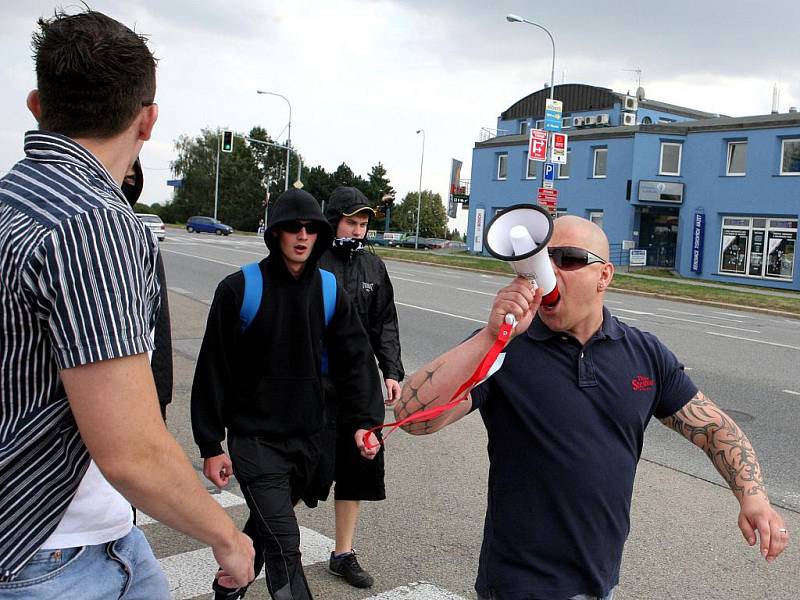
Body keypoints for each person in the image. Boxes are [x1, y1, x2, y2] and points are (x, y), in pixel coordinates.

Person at [393, 214, 789, 600]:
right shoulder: (505, 348)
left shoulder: (644, 353)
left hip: (600, 581)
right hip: (520, 585)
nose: (548, 269)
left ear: (604, 276)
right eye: (542, 258)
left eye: (568, 259)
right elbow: (412, 419)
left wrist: (753, 496)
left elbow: (714, 428)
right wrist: (491, 337)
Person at [0, 9, 254, 597]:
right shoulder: (94, 223)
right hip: (51, 551)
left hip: (86, 535)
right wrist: (227, 538)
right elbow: (130, 450)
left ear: (37, 105)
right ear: (148, 120)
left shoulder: (13, 197)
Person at [191, 188, 381, 600]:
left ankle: (229, 586)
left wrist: (367, 423)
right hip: (255, 440)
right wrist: (210, 443)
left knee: (266, 527)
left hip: (310, 441)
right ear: (275, 234)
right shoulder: (240, 288)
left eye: (310, 229)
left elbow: (357, 362)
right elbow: (212, 370)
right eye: (291, 228)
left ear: (319, 235)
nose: (301, 236)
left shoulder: (329, 291)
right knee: (284, 544)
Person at [317, 186, 404, 588]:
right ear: (332, 219)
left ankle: (342, 553)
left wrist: (391, 370)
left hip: (359, 384)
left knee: (356, 464)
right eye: (351, 221)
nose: (357, 230)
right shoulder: (313, 260)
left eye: (364, 223)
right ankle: (260, 545)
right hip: (313, 383)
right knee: (302, 468)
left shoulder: (374, 267)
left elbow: (385, 323)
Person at [122, 157, 173, 421]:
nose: (126, 185)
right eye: (122, 177)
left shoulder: (142, 239)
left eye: (132, 179)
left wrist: (161, 395)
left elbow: (159, 328)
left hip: (141, 388)